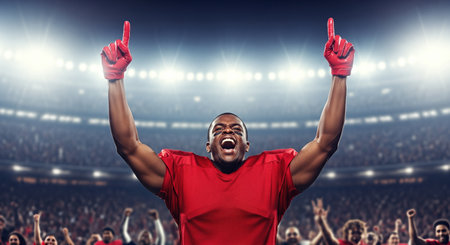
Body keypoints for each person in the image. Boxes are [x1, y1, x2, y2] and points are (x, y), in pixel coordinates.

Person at [102, 17, 354, 244]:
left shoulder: (275, 171)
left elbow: (325, 144)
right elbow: (129, 147)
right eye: (218, 130)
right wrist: (115, 78)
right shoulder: (180, 172)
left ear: (246, 144)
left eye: (236, 129)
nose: (228, 132)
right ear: (208, 145)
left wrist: (339, 75)